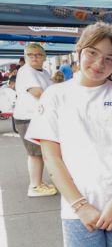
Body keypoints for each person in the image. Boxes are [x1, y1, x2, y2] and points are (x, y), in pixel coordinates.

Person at [26, 22, 112, 246]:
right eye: (93, 53)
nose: (100, 63)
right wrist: (80, 205)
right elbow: (52, 157)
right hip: (77, 210)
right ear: (79, 49)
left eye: (110, 58)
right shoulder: (55, 95)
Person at [15, 43, 57, 197]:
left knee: (40, 152)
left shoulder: (44, 72)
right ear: (25, 57)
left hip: (38, 117)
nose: (34, 57)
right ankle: (34, 186)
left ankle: (38, 183)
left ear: (44, 57)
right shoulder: (26, 71)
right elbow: (38, 92)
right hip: (27, 117)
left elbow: (51, 90)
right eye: (30, 55)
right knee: (35, 154)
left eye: (38, 54)